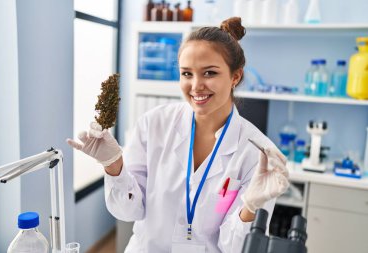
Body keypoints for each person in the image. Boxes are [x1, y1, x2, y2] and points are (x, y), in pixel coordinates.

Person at [67, 17, 289, 253]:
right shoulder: (153, 124)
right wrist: (114, 166)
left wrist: (251, 207)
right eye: (186, 74)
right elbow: (128, 211)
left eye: (209, 73)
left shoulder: (257, 153)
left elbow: (235, 248)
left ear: (235, 76)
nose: (196, 86)